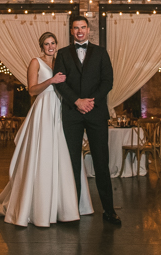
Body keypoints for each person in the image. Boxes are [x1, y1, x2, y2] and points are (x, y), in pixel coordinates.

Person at [0, 32, 93, 227]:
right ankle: (39, 206)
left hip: (61, 109)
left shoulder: (60, 62)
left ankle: (64, 205)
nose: (50, 46)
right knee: (44, 153)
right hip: (44, 108)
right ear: (41, 46)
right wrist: (51, 81)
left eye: (53, 43)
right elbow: (31, 90)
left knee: (63, 153)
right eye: (46, 44)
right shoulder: (35, 62)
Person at [53, 16, 121, 225]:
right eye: (76, 28)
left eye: (83, 27)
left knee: (101, 161)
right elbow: (59, 82)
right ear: (71, 31)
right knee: (72, 162)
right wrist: (77, 101)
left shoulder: (101, 53)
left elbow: (107, 81)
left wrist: (90, 102)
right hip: (72, 114)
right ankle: (73, 210)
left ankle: (109, 211)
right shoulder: (63, 54)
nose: (80, 31)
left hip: (96, 112)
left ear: (88, 29)